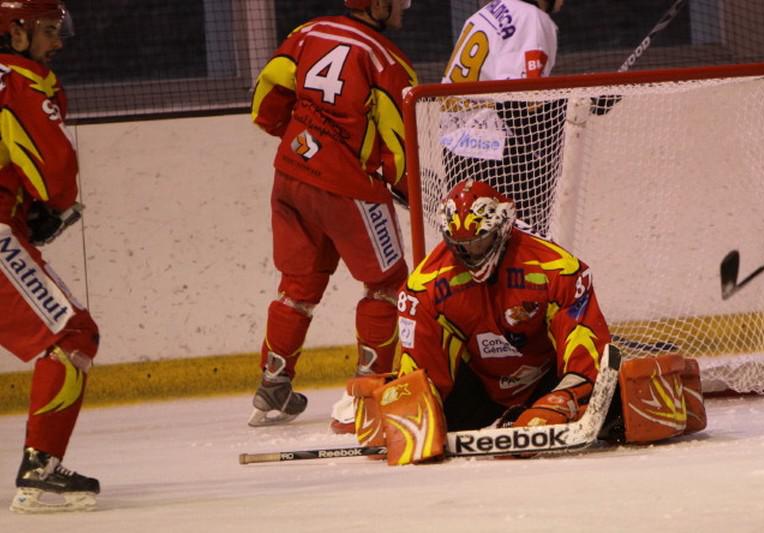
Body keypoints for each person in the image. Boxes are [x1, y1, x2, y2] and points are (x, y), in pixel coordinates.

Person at [347, 179, 706, 465]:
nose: (469, 254)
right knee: (403, 406)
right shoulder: (422, 289)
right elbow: (422, 371)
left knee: (626, 404)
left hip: (548, 381)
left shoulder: (558, 268)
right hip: (480, 389)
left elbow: (586, 353)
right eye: (459, 245)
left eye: (479, 242)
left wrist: (559, 401)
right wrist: (411, 416)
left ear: (502, 228)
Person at [248, 0, 416, 428]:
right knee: (387, 284)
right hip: (348, 188)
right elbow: (399, 143)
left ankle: (272, 384)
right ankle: (369, 389)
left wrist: (299, 138)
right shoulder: (386, 61)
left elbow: (266, 99)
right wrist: (406, 188)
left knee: (297, 286)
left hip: (291, 173)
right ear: (377, 4)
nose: (405, 6)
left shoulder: (306, 33)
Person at [0, 0, 101, 513]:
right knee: (73, 334)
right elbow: (55, 171)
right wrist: (52, 208)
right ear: (14, 33)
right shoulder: (18, 84)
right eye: (46, 31)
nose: (57, 42)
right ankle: (40, 470)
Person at [440, 0, 566, 236]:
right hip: (496, 156)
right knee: (522, 244)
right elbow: (517, 104)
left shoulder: (489, 10)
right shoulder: (530, 18)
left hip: (457, 151)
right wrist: (574, 105)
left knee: (470, 241)